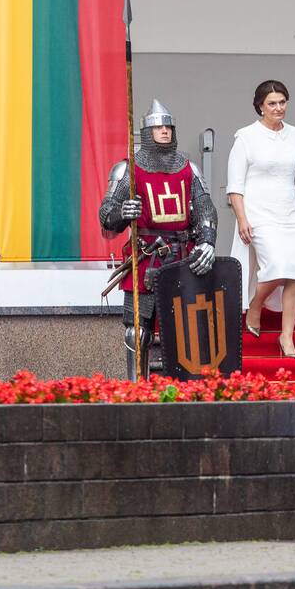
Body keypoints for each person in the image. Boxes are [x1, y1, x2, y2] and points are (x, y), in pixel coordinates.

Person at [99, 99, 218, 379]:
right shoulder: (127, 170)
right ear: (147, 132)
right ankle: (135, 385)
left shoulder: (189, 168)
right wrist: (122, 212)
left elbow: (206, 209)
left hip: (182, 254)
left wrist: (208, 241)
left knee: (185, 326)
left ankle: (184, 383)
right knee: (137, 328)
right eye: (159, 127)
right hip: (146, 254)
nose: (164, 131)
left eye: (168, 127)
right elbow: (106, 217)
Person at [227, 80, 295, 357]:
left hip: (290, 213)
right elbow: (235, 185)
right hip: (259, 214)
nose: (278, 108)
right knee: (278, 267)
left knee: (294, 276)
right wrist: (242, 218)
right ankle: (256, 304)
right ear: (260, 106)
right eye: (272, 103)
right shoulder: (245, 136)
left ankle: (287, 337)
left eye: (282, 102)